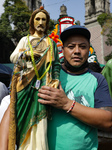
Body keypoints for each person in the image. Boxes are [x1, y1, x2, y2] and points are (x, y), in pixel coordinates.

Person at [37, 25, 112, 150]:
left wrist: (67, 104)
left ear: (89, 50)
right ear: (63, 50)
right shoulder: (48, 74)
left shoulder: (98, 80)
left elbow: (108, 121)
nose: (77, 51)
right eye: (71, 47)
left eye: (82, 47)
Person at [0, 6, 60, 150]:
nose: (40, 22)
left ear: (47, 23)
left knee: (41, 124)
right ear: (32, 22)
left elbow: (56, 65)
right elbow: (13, 58)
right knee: (20, 120)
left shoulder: (51, 44)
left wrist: (56, 80)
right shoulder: (25, 40)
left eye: (43, 19)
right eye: (37, 19)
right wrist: (27, 54)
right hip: (23, 86)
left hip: (43, 87)